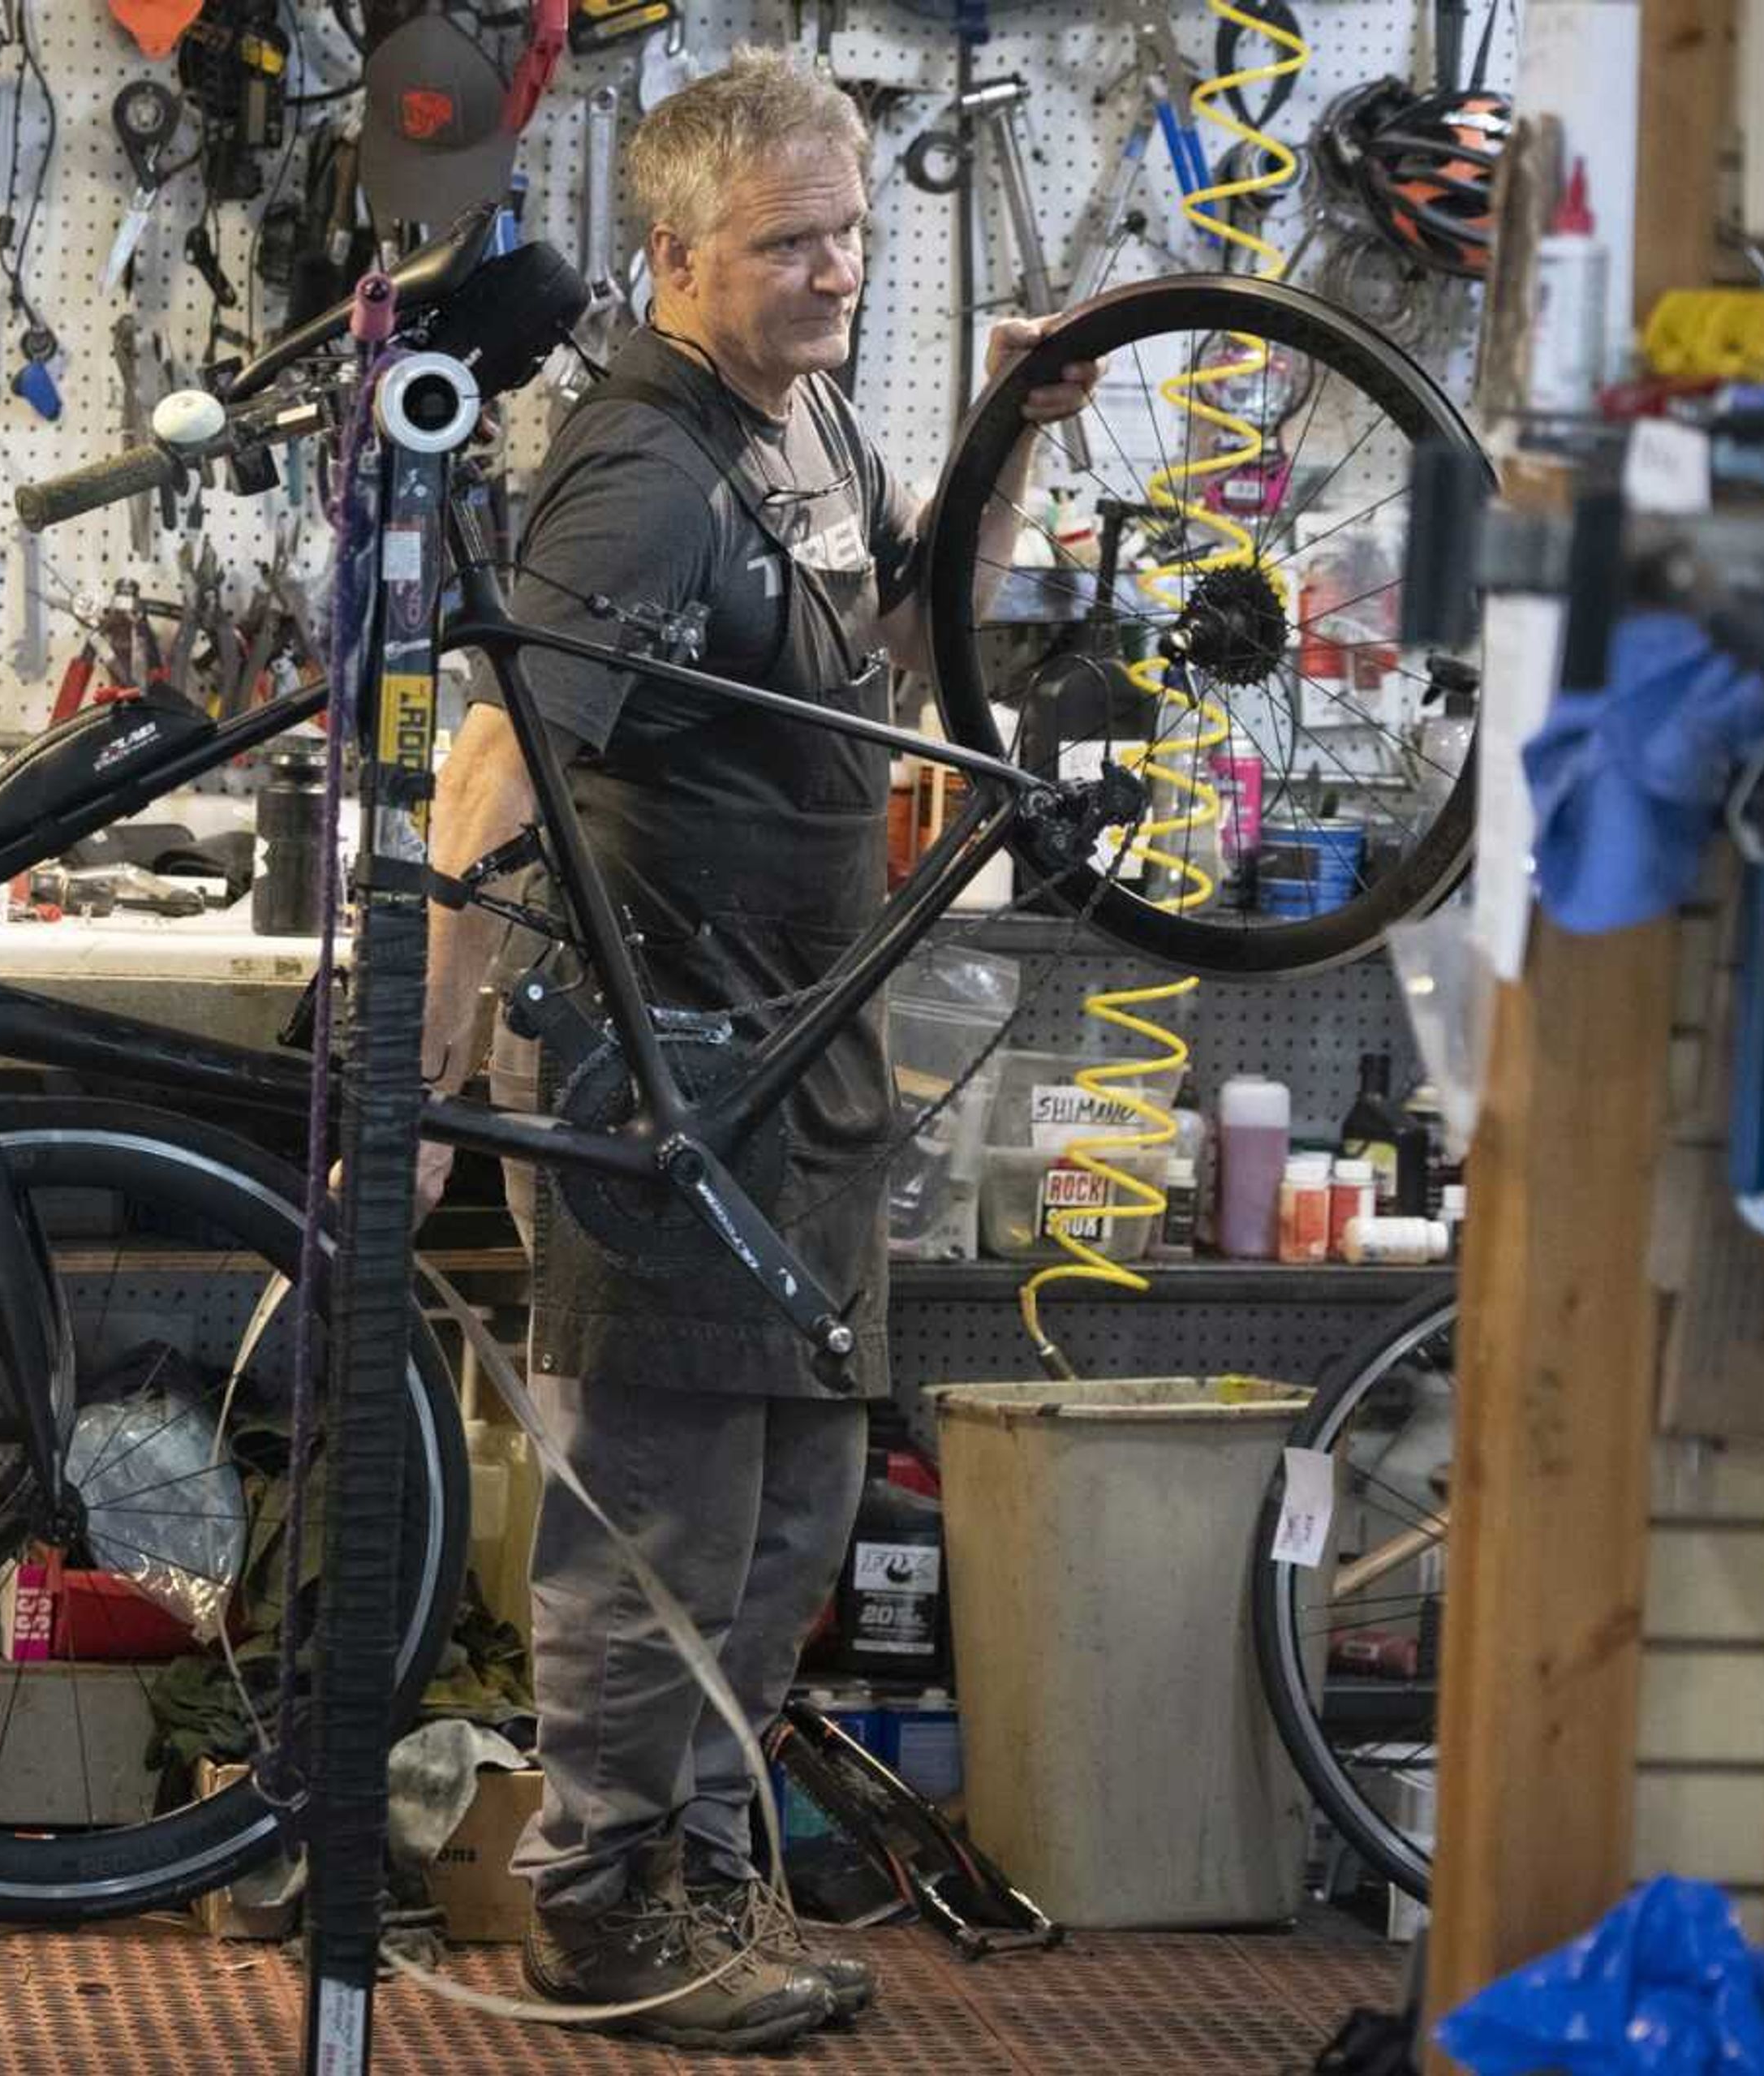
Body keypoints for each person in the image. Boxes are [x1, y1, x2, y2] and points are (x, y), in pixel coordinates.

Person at [410, 47, 1099, 2053]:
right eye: (790, 243)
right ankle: (605, 1907)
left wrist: (1005, 446)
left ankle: (701, 1868)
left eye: (854, 234)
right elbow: (495, 762)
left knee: (795, 1501)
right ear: (677, 252)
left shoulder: (804, 430)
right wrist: (427, 1079)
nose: (833, 272)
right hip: (665, 1074)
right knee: (661, 1516)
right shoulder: (642, 467)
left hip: (812, 1056)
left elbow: (912, 645)